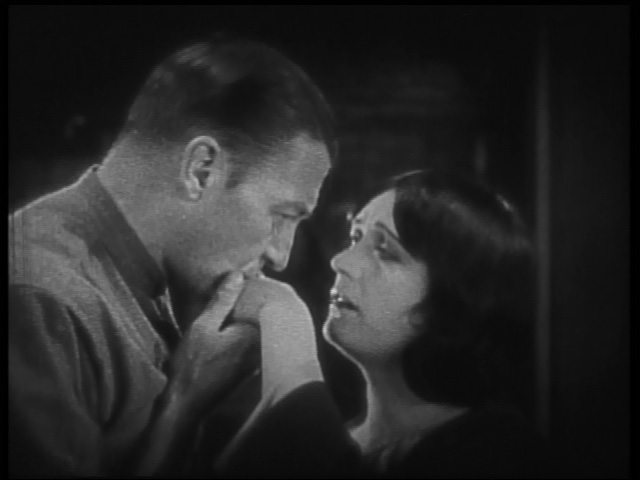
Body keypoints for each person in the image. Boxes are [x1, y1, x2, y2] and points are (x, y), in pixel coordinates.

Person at [8, 35, 336, 477]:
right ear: (201, 169)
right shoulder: (40, 298)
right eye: (282, 215)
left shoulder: (163, 280)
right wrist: (184, 404)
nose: (281, 255)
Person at [219, 169, 555, 478]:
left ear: (450, 301)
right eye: (356, 238)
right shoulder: (348, 436)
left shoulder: (496, 456)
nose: (340, 261)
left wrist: (285, 321)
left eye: (385, 252)